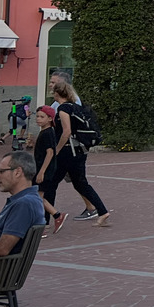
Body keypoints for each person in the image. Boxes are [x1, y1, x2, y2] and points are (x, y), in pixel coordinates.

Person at [50, 83, 111, 226]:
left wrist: (56, 150)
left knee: (51, 184)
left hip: (67, 152)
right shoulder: (76, 108)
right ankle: (103, 212)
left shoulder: (63, 109)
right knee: (80, 183)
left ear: (57, 94)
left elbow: (66, 132)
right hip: (79, 151)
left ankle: (46, 220)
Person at [30, 104, 70, 234]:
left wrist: (41, 171)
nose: (38, 119)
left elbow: (50, 153)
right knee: (38, 197)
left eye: (42, 117)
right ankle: (55, 217)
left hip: (44, 170)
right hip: (42, 168)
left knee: (37, 197)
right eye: (37, 116)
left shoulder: (47, 133)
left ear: (49, 119)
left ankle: (49, 220)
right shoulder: (45, 132)